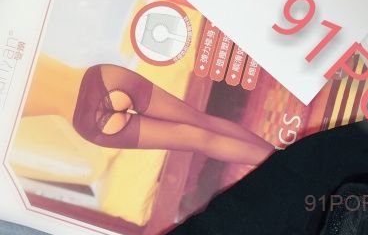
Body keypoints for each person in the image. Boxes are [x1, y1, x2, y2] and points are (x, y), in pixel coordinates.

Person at [24, 55, 274, 166]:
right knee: (202, 122)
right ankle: (280, 156)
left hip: (85, 121)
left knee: (200, 139)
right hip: (98, 79)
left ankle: (283, 165)